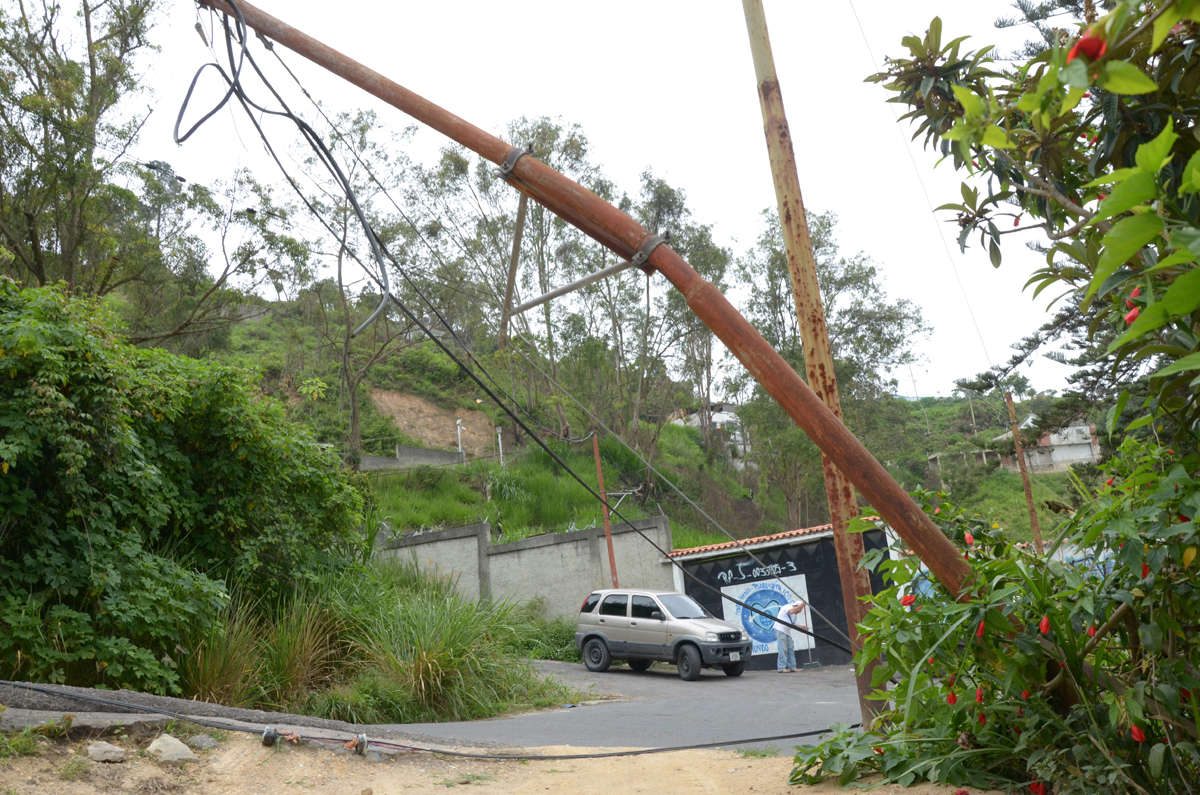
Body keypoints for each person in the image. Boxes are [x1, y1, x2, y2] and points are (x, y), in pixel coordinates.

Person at [773, 600, 807, 673]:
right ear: (796, 606)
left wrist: (803, 627)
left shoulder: (794, 616)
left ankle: (792, 667)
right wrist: (802, 604)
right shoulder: (788, 607)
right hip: (780, 629)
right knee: (783, 648)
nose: (800, 611)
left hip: (787, 631)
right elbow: (791, 611)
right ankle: (781, 667)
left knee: (790, 648)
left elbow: (794, 625)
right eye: (800, 609)